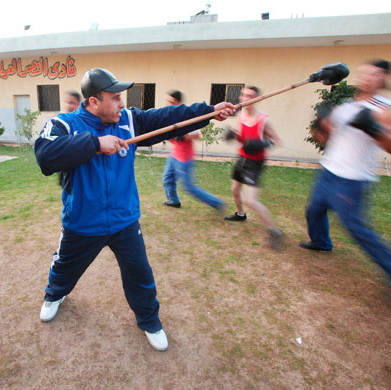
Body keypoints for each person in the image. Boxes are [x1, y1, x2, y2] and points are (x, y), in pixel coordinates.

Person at [34, 68, 234, 351]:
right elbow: (45, 156)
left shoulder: (128, 121)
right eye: (115, 98)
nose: (121, 104)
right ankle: (54, 295)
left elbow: (169, 118)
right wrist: (95, 144)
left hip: (124, 220)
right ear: (93, 102)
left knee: (140, 273)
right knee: (65, 266)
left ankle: (150, 320)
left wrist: (210, 111)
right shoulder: (64, 124)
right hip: (82, 221)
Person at [299, 59, 391, 307]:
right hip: (328, 173)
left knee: (358, 230)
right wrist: (320, 121)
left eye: (374, 73)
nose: (366, 76)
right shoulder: (346, 105)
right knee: (313, 211)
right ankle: (321, 243)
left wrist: (374, 128)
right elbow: (323, 138)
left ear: (384, 79)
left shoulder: (385, 108)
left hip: (352, 181)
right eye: (365, 71)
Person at [224, 85, 284, 250]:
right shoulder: (241, 114)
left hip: (255, 163)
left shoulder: (264, 120)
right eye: (243, 95)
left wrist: (262, 143)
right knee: (235, 190)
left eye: (251, 96)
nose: (246, 99)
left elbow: (277, 141)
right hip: (242, 158)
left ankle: (274, 231)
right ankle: (240, 215)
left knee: (250, 200)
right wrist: (234, 135)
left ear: (258, 99)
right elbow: (243, 137)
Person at [161, 90, 225, 211]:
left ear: (178, 102)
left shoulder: (184, 116)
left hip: (184, 158)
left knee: (189, 187)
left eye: (171, 102)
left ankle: (217, 203)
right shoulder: (171, 116)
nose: (168, 104)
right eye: (168, 101)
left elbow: (197, 135)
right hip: (175, 155)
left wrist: (183, 136)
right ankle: (174, 201)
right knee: (167, 179)